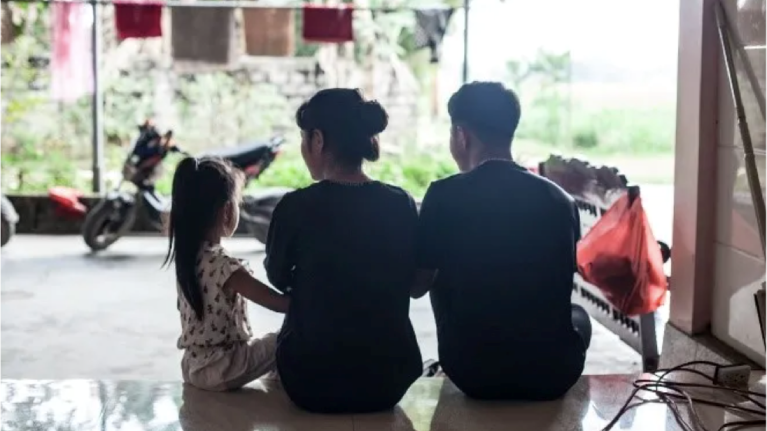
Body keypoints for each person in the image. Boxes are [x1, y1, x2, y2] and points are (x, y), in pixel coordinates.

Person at [413, 82, 591, 400]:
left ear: (461, 135)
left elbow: (417, 286)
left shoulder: (443, 195)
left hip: (471, 372)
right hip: (552, 373)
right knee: (578, 317)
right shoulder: (559, 199)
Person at [265, 88, 422, 414]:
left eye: (304, 138)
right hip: (388, 381)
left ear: (318, 140)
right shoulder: (401, 204)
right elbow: (412, 277)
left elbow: (278, 277)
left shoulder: (295, 207)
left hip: (310, 382)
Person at [164, 156, 289, 392]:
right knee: (286, 336)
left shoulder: (190, 258)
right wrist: (311, 305)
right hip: (223, 367)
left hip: (193, 366)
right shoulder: (224, 266)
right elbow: (276, 302)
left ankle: (276, 379)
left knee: (265, 346)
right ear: (227, 211)